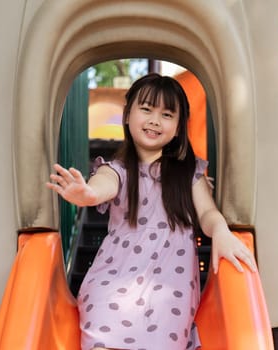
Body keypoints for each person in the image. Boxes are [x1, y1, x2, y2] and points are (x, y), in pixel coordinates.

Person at [46, 73, 257, 350]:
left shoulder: (188, 173)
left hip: (170, 283)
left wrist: (220, 231)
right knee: (102, 326)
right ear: (127, 115)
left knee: (164, 332)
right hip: (114, 276)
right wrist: (87, 193)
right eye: (146, 109)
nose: (155, 120)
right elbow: (103, 186)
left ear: (179, 127)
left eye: (167, 114)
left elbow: (207, 213)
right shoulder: (117, 169)